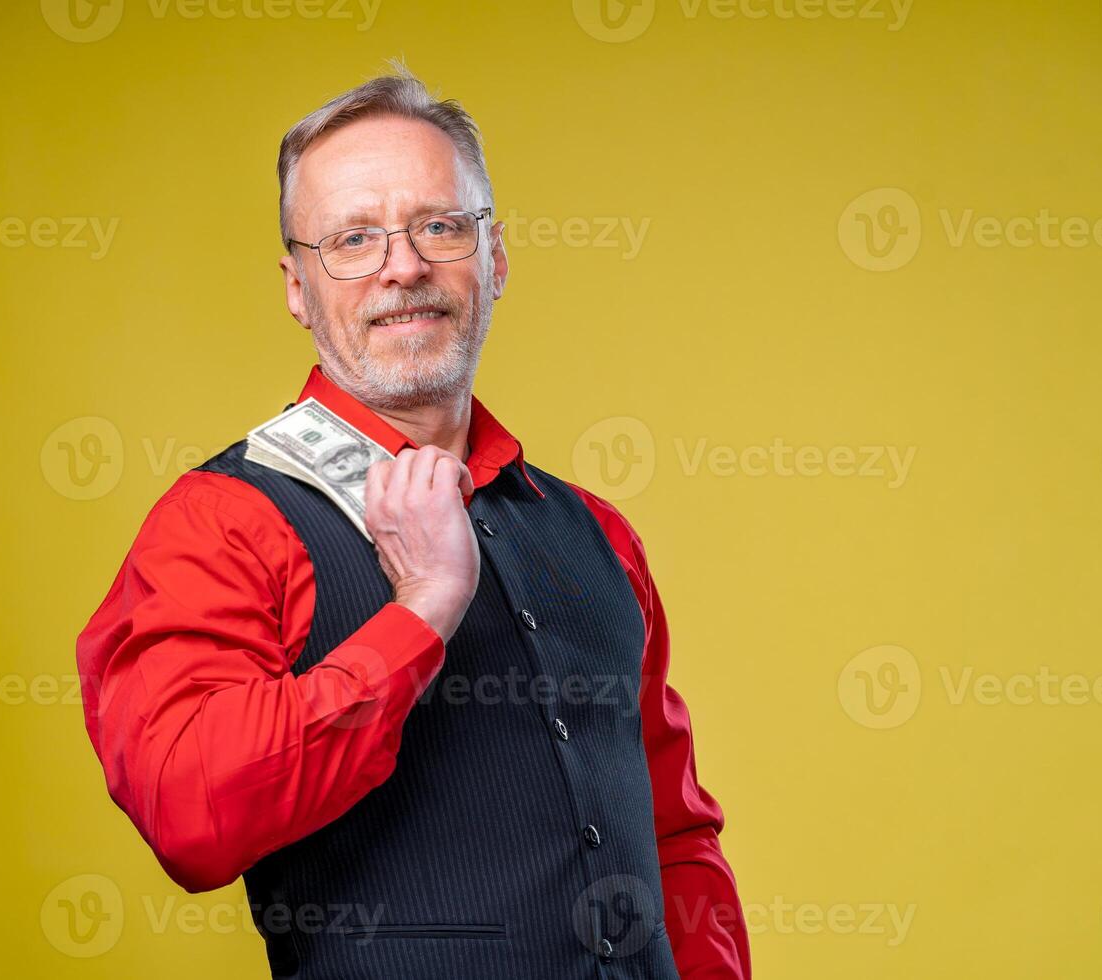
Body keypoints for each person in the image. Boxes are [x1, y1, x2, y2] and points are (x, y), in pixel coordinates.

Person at [76, 65, 751, 979]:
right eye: (352, 239)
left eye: (439, 226)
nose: (403, 266)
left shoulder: (597, 534)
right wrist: (421, 611)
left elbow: (674, 834)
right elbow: (191, 818)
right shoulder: (224, 522)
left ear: (496, 258)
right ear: (297, 289)